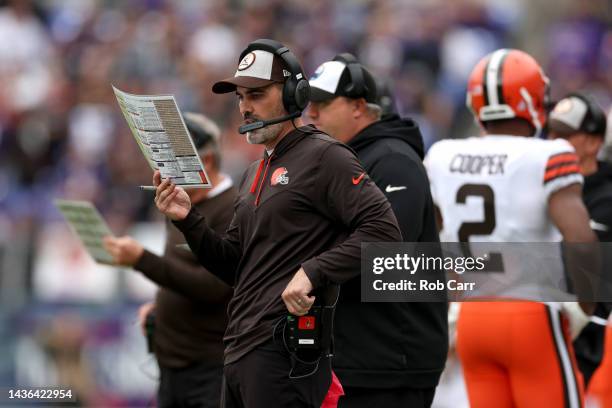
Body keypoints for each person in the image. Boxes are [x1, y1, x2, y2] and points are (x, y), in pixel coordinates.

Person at [153, 39, 402, 408]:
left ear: (293, 93)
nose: (245, 107)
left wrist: (314, 271)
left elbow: (385, 232)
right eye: (240, 97)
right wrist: (189, 220)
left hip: (283, 353)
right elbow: (233, 264)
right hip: (240, 350)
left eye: (256, 94)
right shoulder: (254, 170)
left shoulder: (325, 156)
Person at [424, 49, 597, 408]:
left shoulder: (442, 155)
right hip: (530, 313)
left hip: (473, 318)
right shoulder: (549, 155)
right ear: (533, 99)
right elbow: (581, 240)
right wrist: (587, 303)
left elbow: (433, 242)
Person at [307, 53, 448, 408]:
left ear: (358, 106)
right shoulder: (344, 159)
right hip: (357, 355)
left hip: (391, 360)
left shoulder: (393, 160)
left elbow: (386, 255)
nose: (311, 114)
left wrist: (311, 265)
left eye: (322, 103)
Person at [103, 113, 234, 408]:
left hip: (211, 369)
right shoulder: (177, 201)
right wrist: (161, 305)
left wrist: (142, 259)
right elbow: (179, 270)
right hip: (171, 366)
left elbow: (215, 286)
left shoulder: (234, 208)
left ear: (208, 161)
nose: (164, 172)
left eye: (173, 162)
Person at [548, 93, 612, 390]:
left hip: (595, 340)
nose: (555, 143)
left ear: (594, 142)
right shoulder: (542, 188)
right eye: (552, 133)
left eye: (566, 136)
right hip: (544, 329)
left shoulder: (608, 198)